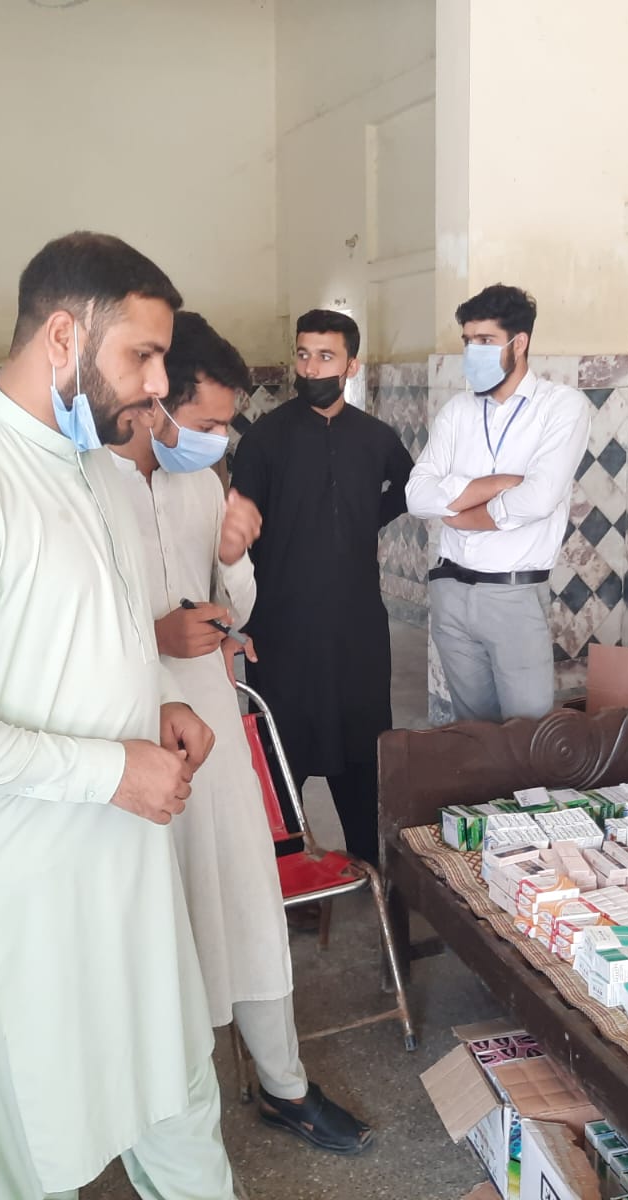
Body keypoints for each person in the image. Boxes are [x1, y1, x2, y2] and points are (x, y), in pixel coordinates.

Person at [0, 232, 237, 1200]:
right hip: (18, 891)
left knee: (176, 1100)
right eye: (142, 356)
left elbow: (78, 635)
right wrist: (108, 769)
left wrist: (158, 702)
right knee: (33, 1144)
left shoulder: (91, 468)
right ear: (63, 336)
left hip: (125, 870)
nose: (158, 385)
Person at [106, 310, 374, 1155]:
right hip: (128, 729)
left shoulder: (200, 485)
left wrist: (229, 558)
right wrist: (154, 636)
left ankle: (283, 1085)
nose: (221, 440)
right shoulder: (87, 488)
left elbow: (240, 611)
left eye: (227, 423)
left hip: (214, 721)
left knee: (246, 900)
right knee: (157, 919)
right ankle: (162, 1104)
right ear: (155, 399)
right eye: (209, 421)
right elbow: (64, 627)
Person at [229, 310, 414, 866]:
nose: (311, 368)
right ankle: (286, 872)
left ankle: (370, 866)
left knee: (362, 745)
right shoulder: (266, 438)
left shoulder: (375, 437)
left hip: (358, 624)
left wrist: (365, 518)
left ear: (351, 365)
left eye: (326, 356)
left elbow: (409, 485)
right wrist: (244, 619)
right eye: (304, 354)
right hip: (282, 624)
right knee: (283, 748)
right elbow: (238, 527)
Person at [406, 284, 590, 723]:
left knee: (529, 734)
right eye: (468, 341)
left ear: (518, 343)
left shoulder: (561, 407)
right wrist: (496, 484)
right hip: (450, 590)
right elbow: (417, 495)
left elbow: (538, 499)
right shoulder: (457, 411)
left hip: (513, 593)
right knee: (474, 731)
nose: (473, 351)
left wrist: (463, 515)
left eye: (485, 340)